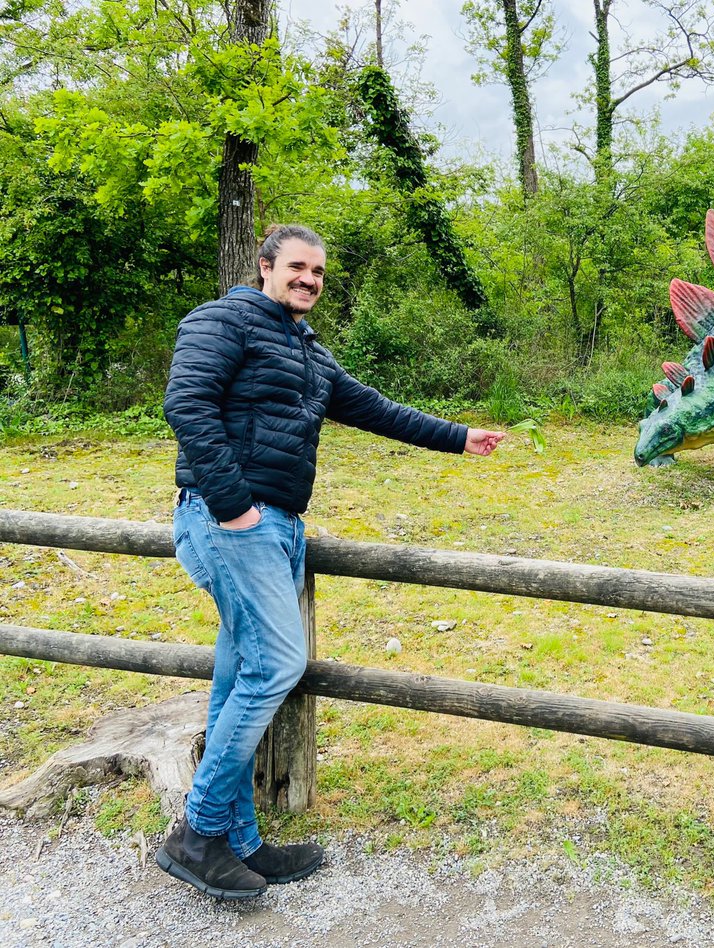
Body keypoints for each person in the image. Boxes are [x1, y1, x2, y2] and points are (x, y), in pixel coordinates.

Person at [157, 224, 504, 900]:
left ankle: (242, 842)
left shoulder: (306, 349)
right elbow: (187, 404)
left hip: (277, 526)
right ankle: (197, 834)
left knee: (239, 679)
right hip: (232, 521)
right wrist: (233, 507)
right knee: (278, 665)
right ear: (265, 266)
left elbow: (374, 408)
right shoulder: (222, 319)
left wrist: (460, 437)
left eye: (317, 272)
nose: (309, 280)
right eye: (297, 267)